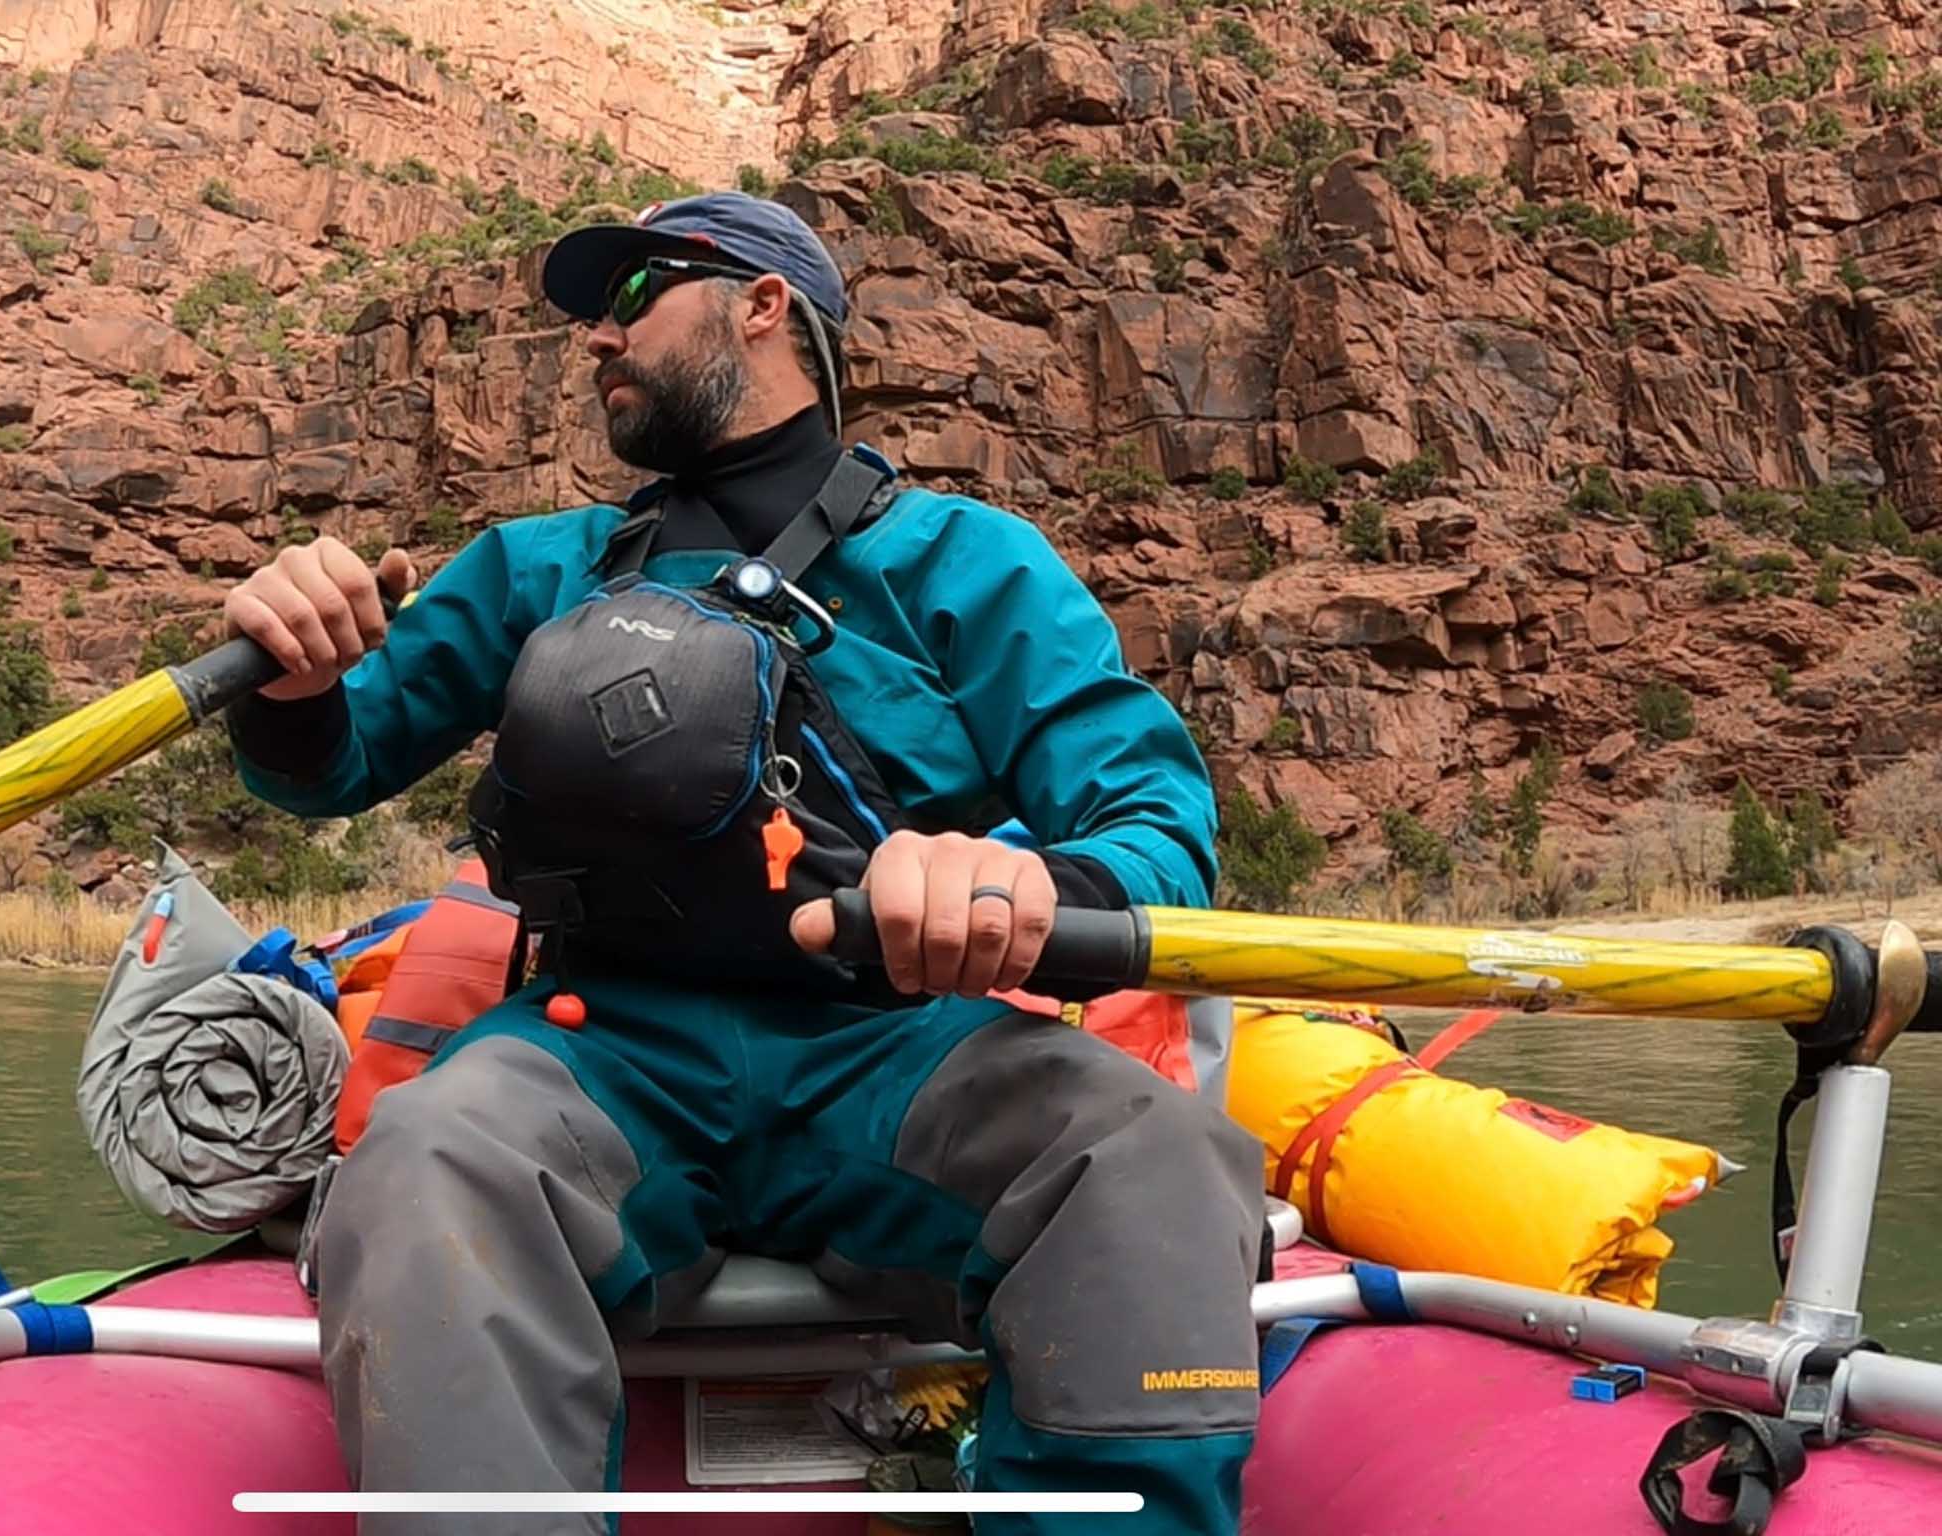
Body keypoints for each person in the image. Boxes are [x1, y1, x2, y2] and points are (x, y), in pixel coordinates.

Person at [223, 191, 1268, 1535]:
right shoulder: (540, 571)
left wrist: (1025, 888)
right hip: (598, 1052)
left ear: (763, 306)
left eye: (635, 292)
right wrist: (294, 680)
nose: (595, 336)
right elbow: (332, 763)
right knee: (428, 1151)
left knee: (1150, 1145)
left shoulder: (967, 563)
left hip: (892, 1053)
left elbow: (1152, 820)